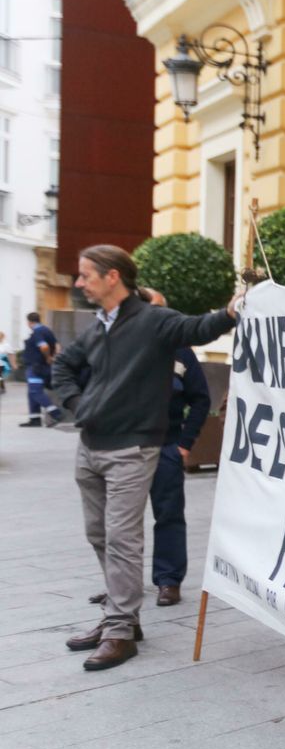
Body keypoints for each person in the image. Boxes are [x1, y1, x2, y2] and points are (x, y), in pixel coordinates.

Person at [52, 246, 237, 671]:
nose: (79, 283)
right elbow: (63, 365)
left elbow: (198, 328)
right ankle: (122, 618)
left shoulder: (154, 321)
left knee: (122, 538)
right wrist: (79, 405)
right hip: (90, 447)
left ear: (112, 277)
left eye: (85, 275)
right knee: (99, 534)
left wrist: (230, 313)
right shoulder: (99, 326)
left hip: (132, 451)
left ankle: (119, 630)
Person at [85, 288, 210, 609]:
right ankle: (119, 586)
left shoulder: (181, 352)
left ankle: (169, 581)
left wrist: (185, 445)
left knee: (168, 515)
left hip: (166, 446)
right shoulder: (115, 347)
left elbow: (200, 399)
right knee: (118, 522)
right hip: (121, 447)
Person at [19, 312, 64, 426]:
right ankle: (34, 419)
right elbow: (57, 345)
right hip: (42, 367)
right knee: (31, 392)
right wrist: (54, 357)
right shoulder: (47, 330)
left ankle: (56, 413)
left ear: (29, 322)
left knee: (35, 391)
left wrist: (48, 357)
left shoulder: (37, 331)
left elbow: (44, 346)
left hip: (36, 367)